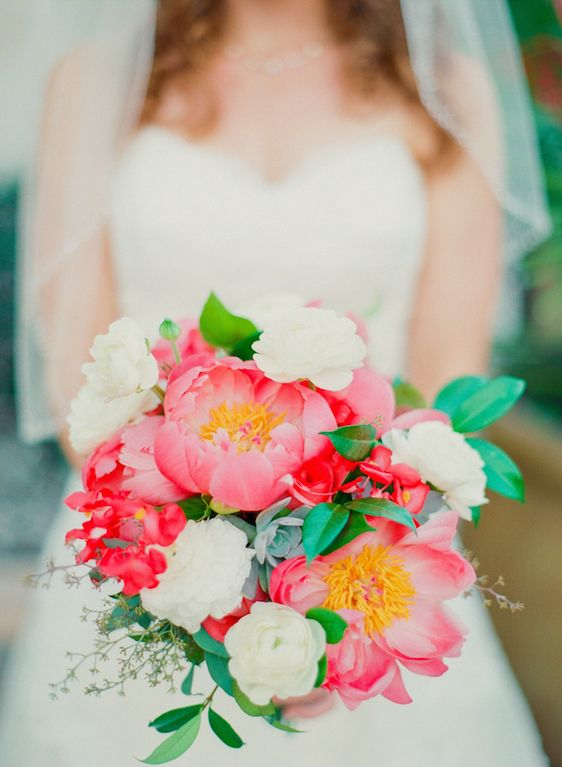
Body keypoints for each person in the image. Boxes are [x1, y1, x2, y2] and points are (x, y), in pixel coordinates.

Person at [0, 1, 551, 764]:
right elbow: (77, 378)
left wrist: (329, 590)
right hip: (150, 548)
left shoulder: (446, 89)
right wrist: (205, 563)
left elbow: (446, 374)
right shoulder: (91, 84)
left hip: (368, 555)